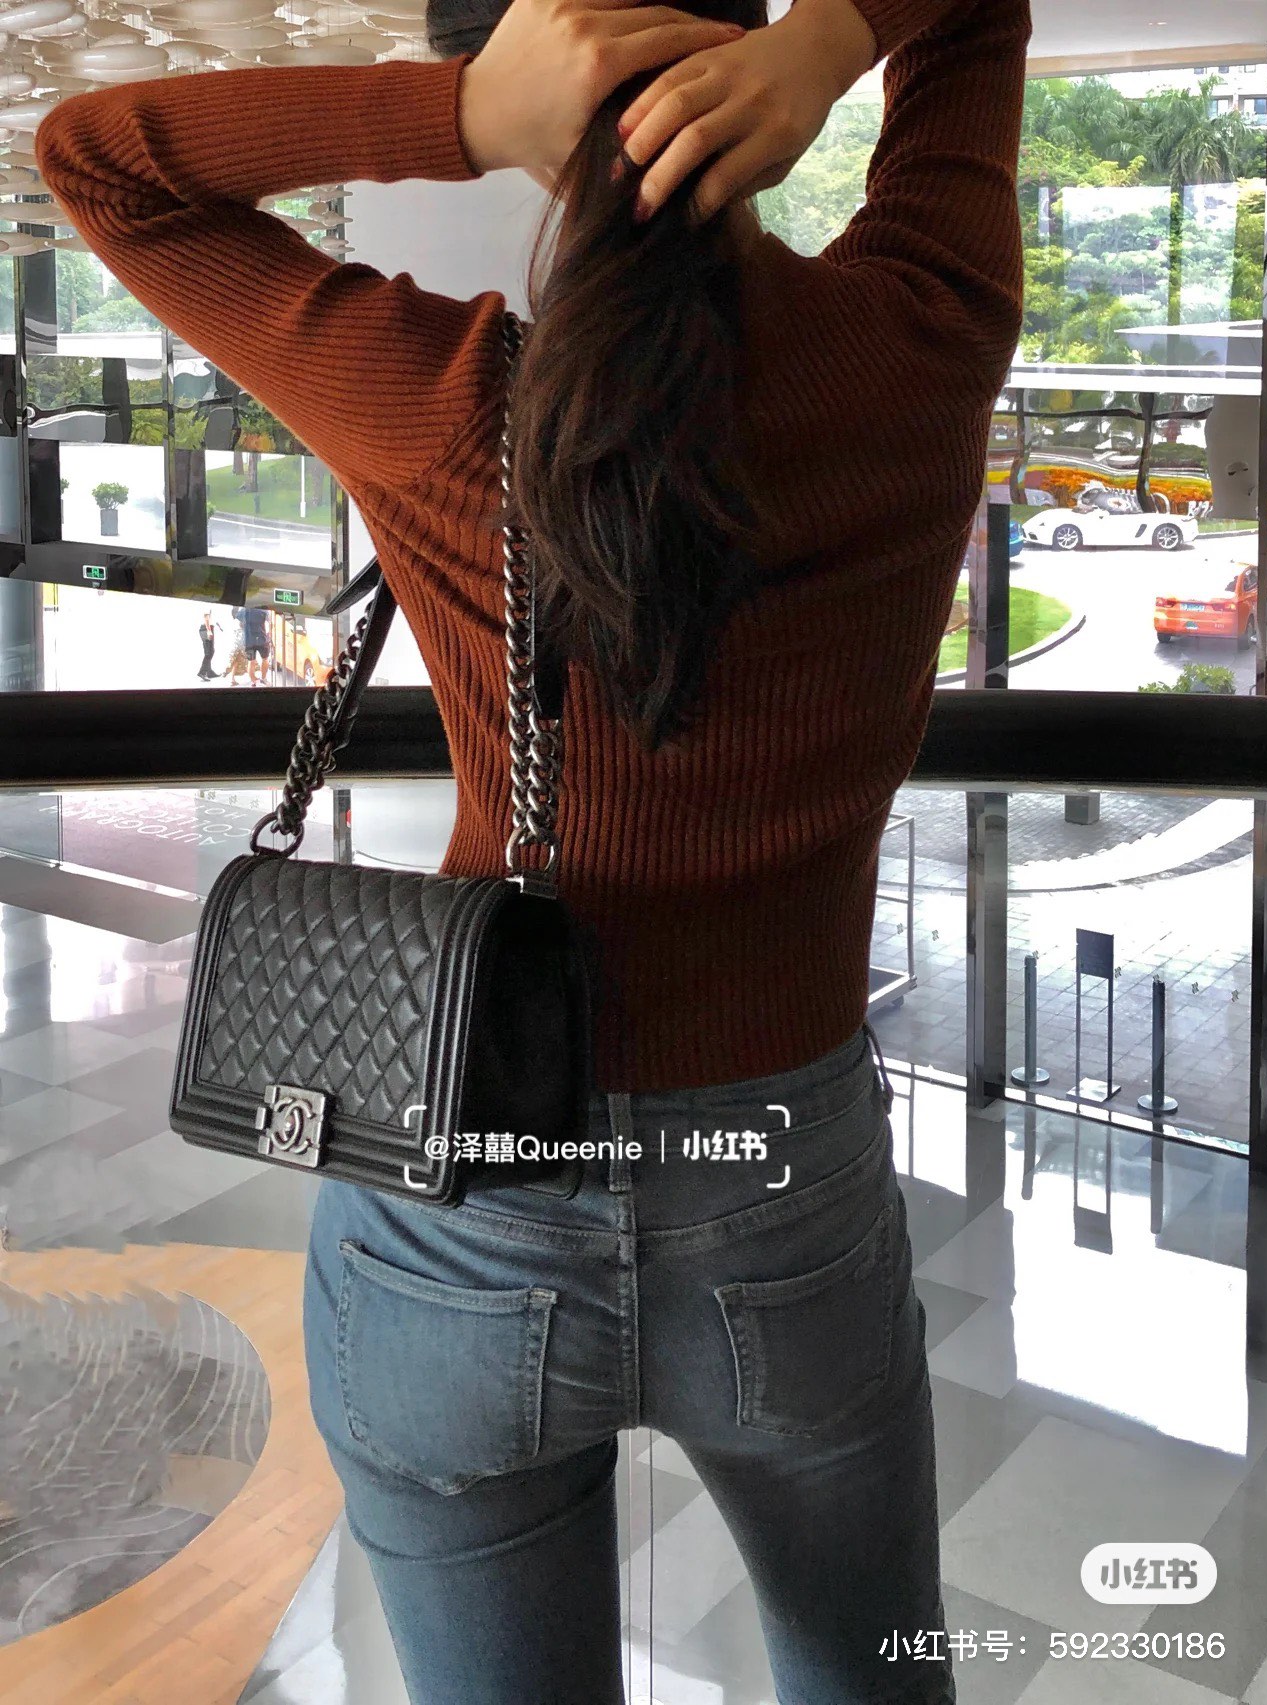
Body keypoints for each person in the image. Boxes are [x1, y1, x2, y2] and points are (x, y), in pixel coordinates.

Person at [35, 0, 1029, 1697]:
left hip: (461, 1181)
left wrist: (455, 113)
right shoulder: (913, 342)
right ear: (742, 70)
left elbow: (103, 166)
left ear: (536, 98)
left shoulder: (440, 403)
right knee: (867, 1676)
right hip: (780, 1184)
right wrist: (833, 42)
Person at [196, 608, 219, 680]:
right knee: (209, 653)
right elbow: (206, 618)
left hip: (207, 628)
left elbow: (210, 618)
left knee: (210, 651)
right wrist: (209, 631)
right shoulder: (208, 605)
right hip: (206, 629)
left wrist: (218, 626)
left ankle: (209, 672)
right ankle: (202, 672)